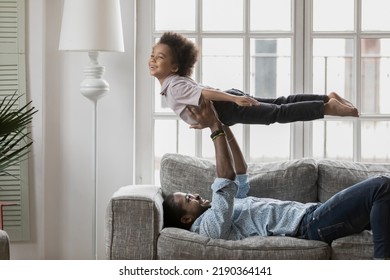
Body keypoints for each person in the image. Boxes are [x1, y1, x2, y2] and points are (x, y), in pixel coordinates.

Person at [162, 98, 390, 259]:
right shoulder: (209, 227)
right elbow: (227, 176)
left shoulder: (227, 207)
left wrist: (222, 124)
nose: (195, 195)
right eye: (188, 199)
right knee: (381, 185)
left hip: (314, 215)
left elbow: (239, 170)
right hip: (310, 225)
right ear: (185, 219)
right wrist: (213, 127)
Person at [149, 32, 359, 126]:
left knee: (277, 113)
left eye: (160, 57)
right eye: (152, 55)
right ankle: (325, 98)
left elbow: (204, 93)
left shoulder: (174, 86)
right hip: (228, 103)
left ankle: (327, 108)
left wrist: (233, 100)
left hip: (229, 107)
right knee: (279, 102)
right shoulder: (176, 84)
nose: (153, 60)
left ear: (175, 67)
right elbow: (200, 94)